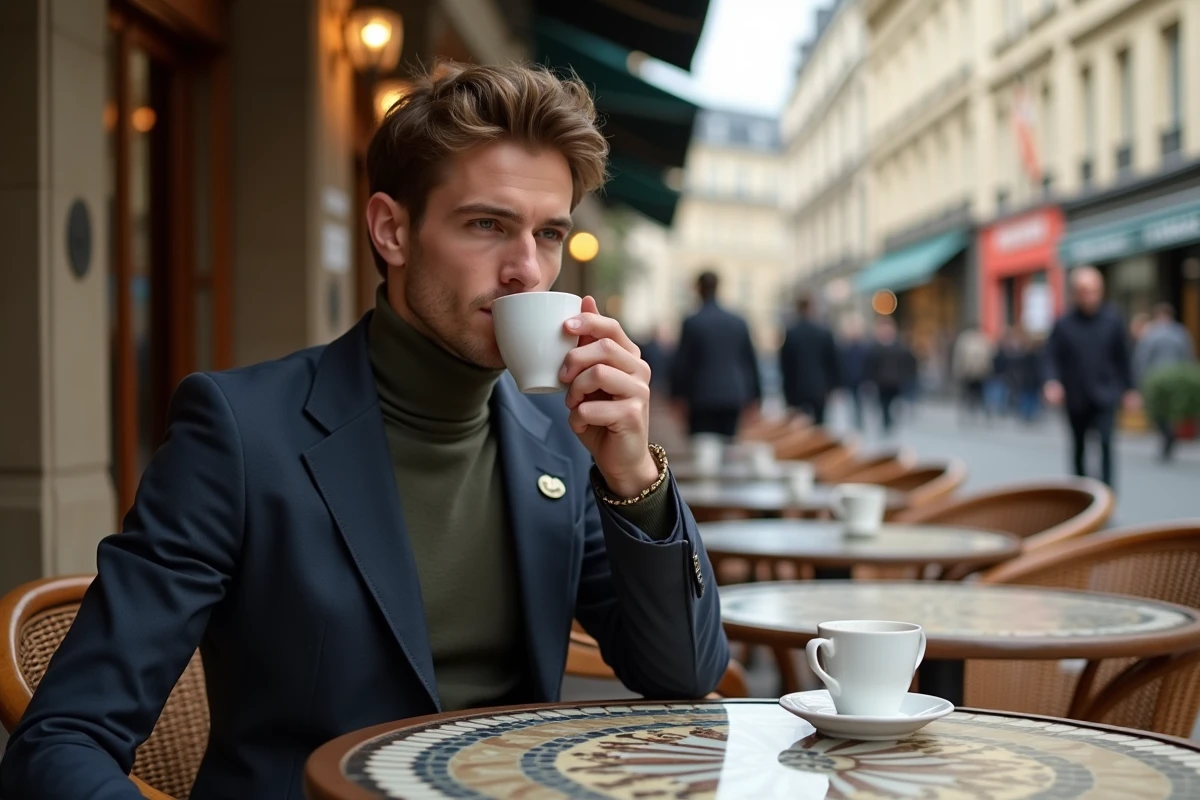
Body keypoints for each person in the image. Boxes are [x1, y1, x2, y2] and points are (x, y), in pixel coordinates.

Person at [0, 62, 729, 799]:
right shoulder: (241, 433)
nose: (526, 270)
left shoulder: (561, 437)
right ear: (391, 230)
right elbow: (62, 740)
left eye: (548, 234)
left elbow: (684, 672)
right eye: (488, 225)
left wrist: (635, 478)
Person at [1044, 266, 1138, 487]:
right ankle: (1081, 495)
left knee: (1106, 443)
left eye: (1094, 290)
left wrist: (1130, 389)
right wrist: (1051, 382)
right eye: (1084, 290)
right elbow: (1050, 357)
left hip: (1105, 394)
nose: (1089, 295)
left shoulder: (1112, 321)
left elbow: (1123, 357)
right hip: (1075, 396)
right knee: (1078, 446)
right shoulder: (1063, 324)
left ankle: (1107, 494)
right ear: (1074, 293)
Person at [669, 271, 762, 438]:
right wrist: (756, 396)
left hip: (700, 396)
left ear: (698, 289)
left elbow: (682, 364)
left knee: (703, 449)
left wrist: (676, 396)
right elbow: (750, 361)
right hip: (732, 395)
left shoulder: (692, 322)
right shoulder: (738, 322)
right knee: (729, 447)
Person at [1134, 302, 1196, 460]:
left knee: (1159, 411)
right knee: (1170, 410)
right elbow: (1188, 354)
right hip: (1176, 375)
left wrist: (1140, 378)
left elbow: (1143, 357)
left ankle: (1167, 435)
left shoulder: (1152, 333)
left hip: (1157, 378)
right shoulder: (1180, 332)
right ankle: (1169, 435)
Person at [778, 294, 842, 425]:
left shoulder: (791, 333)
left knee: (801, 427)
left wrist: (787, 393)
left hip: (797, 389)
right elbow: (833, 361)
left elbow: (785, 365)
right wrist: (832, 386)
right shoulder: (824, 332)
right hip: (820, 388)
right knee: (820, 426)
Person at [865, 317, 916, 434]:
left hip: (895, 381)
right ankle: (886, 420)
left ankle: (890, 419)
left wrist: (906, 376)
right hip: (881, 381)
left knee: (893, 402)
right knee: (883, 402)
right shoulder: (875, 348)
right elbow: (871, 365)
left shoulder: (899, 347)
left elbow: (908, 362)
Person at [950, 325, 994, 424]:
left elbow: (958, 358)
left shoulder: (967, 340)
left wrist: (958, 370)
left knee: (975, 395)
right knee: (975, 395)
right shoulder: (981, 340)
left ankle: (974, 413)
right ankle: (975, 413)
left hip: (972, 372)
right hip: (973, 372)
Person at [838, 315, 870, 431]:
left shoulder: (864, 346)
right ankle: (853, 422)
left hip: (860, 379)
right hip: (849, 379)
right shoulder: (844, 347)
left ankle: (859, 422)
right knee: (851, 402)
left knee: (860, 402)